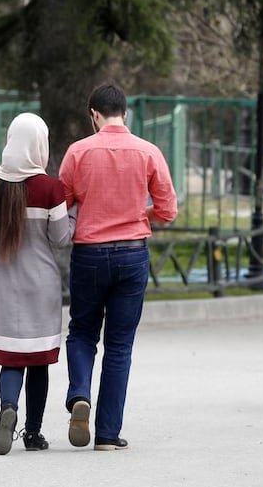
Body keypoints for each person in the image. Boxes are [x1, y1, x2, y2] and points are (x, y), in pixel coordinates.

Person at [59, 83, 178, 451]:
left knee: (81, 332)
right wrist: (139, 213)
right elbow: (168, 211)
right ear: (125, 113)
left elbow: (62, 204)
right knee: (120, 346)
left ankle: (80, 393)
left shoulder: (78, 152)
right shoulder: (148, 152)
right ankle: (108, 435)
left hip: (90, 254)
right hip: (131, 254)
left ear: (94, 115)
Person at [0, 112, 74, 456]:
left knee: (11, 359)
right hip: (41, 287)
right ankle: (34, 433)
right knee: (38, 361)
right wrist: (73, 213)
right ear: (40, 144)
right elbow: (61, 239)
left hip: (2, 283)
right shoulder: (51, 188)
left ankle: (7, 408)